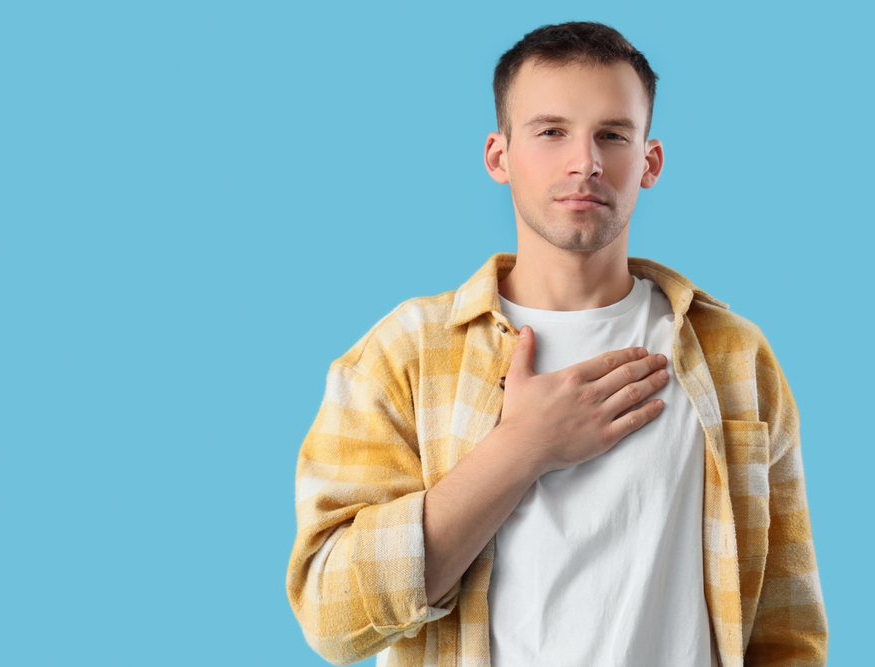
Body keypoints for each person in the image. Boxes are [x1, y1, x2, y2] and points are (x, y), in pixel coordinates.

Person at [287, 21, 828, 667]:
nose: (585, 161)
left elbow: (785, 626)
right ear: (499, 156)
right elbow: (331, 615)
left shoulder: (734, 355)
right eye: (551, 132)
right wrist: (521, 449)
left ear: (648, 162)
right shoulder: (406, 352)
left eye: (612, 135)